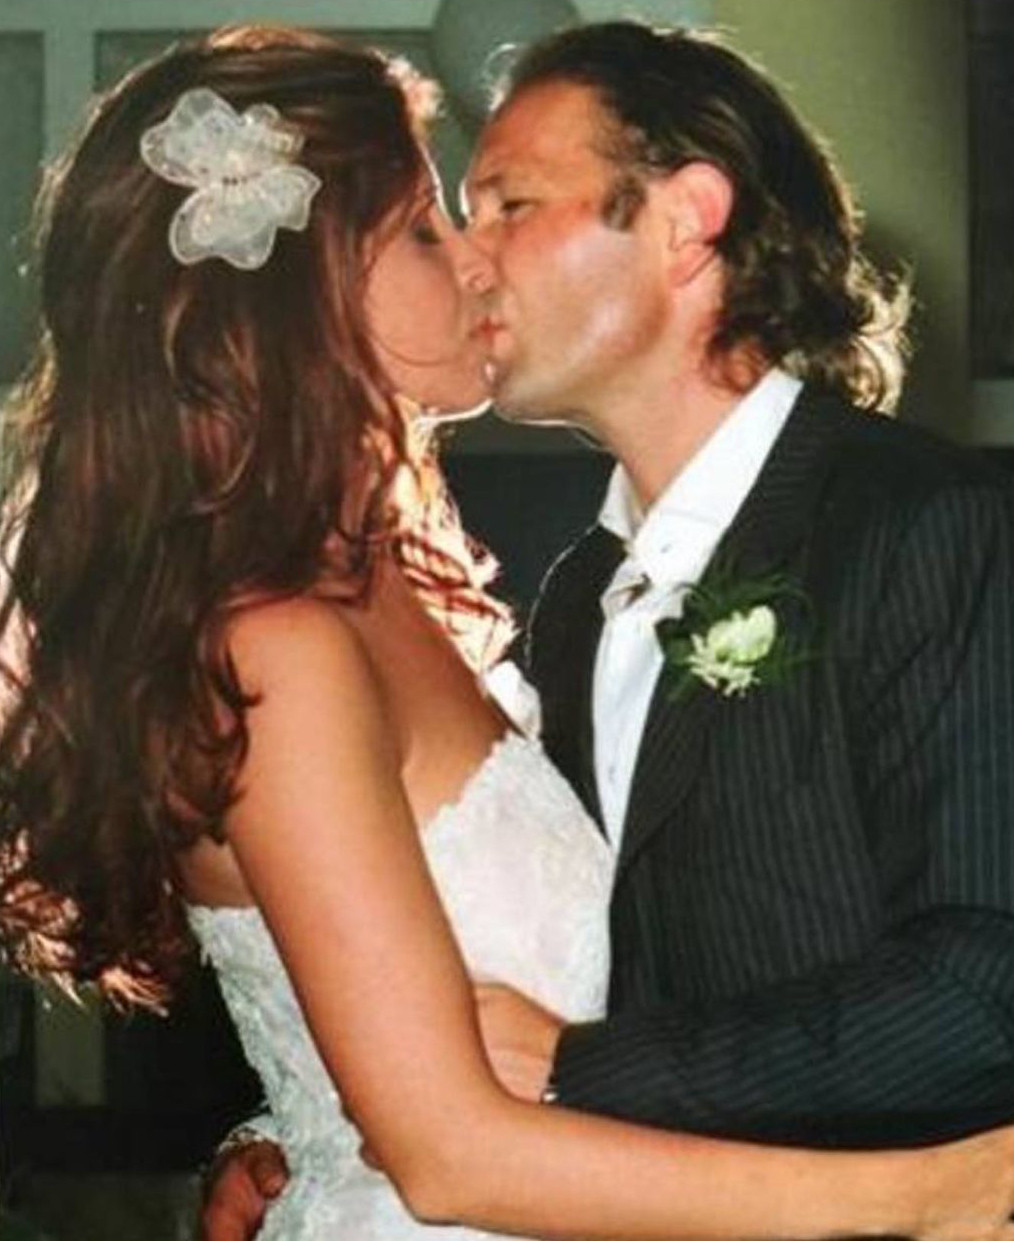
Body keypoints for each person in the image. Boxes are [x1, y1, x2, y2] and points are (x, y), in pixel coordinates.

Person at [2, 21, 1013, 1241]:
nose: (475, 261)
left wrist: (368, 1113)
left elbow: (983, 974)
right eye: (433, 224)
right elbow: (448, 1124)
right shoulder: (550, 604)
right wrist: (323, 1126)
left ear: (686, 221)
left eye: (505, 207)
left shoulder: (924, 527)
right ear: (315, 283)